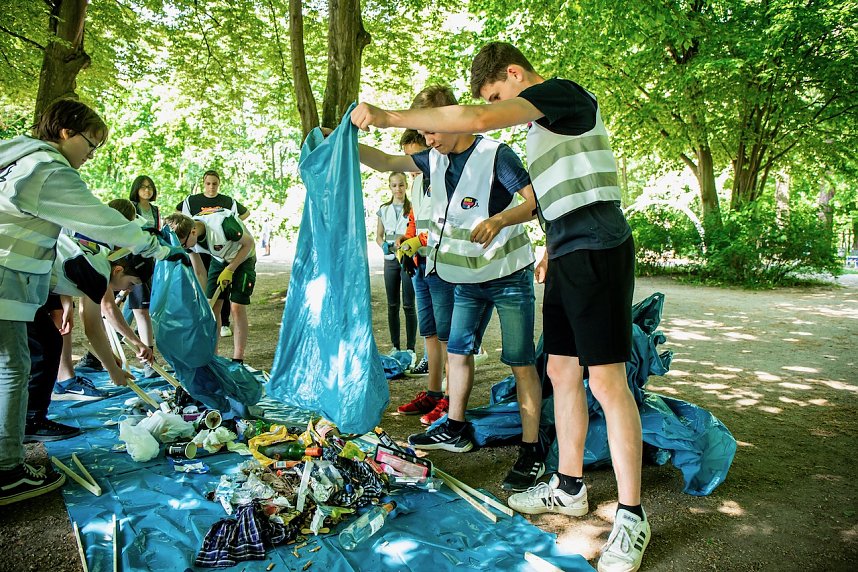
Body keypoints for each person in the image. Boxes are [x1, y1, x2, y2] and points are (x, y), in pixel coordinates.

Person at [350, 42, 647, 572]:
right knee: (558, 370)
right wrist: (552, 252)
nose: (493, 106)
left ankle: (631, 515)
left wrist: (389, 115)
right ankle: (570, 487)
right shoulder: (537, 130)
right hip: (565, 252)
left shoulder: (563, 96)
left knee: (606, 381)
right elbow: (551, 196)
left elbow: (481, 118)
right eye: (491, 99)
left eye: (494, 93)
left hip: (599, 246)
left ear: (513, 74)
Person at [356, 85, 544, 493]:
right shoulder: (432, 158)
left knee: (520, 361)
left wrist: (499, 220)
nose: (427, 140)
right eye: (423, 133)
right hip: (465, 279)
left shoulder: (497, 154)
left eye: (431, 131)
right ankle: (455, 428)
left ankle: (532, 451)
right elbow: (386, 160)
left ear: (451, 118)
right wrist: (345, 142)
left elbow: (535, 202)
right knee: (457, 352)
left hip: (508, 275)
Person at [0, 98, 184, 506]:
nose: (91, 155)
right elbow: (103, 220)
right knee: (13, 368)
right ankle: (7, 470)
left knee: (13, 364)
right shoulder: (47, 169)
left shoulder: (17, 158)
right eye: (91, 144)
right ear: (66, 132)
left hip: (13, 281)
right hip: (3, 278)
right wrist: (155, 247)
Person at [27, 235, 155, 442]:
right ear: (119, 270)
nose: (128, 290)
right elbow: (93, 328)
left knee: (49, 343)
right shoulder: (99, 274)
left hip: (30, 279)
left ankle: (31, 418)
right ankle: (31, 421)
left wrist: (66, 302)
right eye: (131, 284)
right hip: (18, 282)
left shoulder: (103, 257)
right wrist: (112, 370)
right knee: (45, 347)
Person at [164, 211, 256, 364]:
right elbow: (200, 272)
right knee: (212, 308)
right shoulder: (187, 238)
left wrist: (230, 269)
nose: (185, 248)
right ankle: (213, 356)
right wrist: (202, 299)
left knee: (236, 307)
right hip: (219, 259)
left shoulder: (225, 227)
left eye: (184, 245)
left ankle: (238, 358)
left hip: (243, 258)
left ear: (193, 231)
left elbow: (249, 243)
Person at [176, 170, 249, 338]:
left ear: (219, 184)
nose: (211, 187)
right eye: (208, 183)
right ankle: (206, 316)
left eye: (214, 183)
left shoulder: (226, 202)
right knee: (208, 283)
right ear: (203, 183)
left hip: (222, 248)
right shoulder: (192, 201)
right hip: (201, 246)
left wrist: (233, 228)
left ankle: (224, 322)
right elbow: (179, 215)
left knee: (223, 282)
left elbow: (244, 216)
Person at [376, 172, 417, 365]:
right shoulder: (383, 209)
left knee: (408, 305)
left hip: (407, 257)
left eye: (401, 185)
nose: (398, 189)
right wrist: (382, 244)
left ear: (406, 185)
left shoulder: (413, 207)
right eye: (394, 185)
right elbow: (379, 236)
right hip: (389, 259)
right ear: (389, 187)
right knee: (392, 305)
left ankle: (411, 348)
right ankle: (395, 346)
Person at [127, 176, 161, 378]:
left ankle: (149, 357)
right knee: (139, 310)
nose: (147, 191)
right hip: (133, 263)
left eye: (150, 187)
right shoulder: (131, 207)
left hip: (152, 262)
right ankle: (147, 360)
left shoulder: (156, 210)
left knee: (142, 310)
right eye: (143, 187)